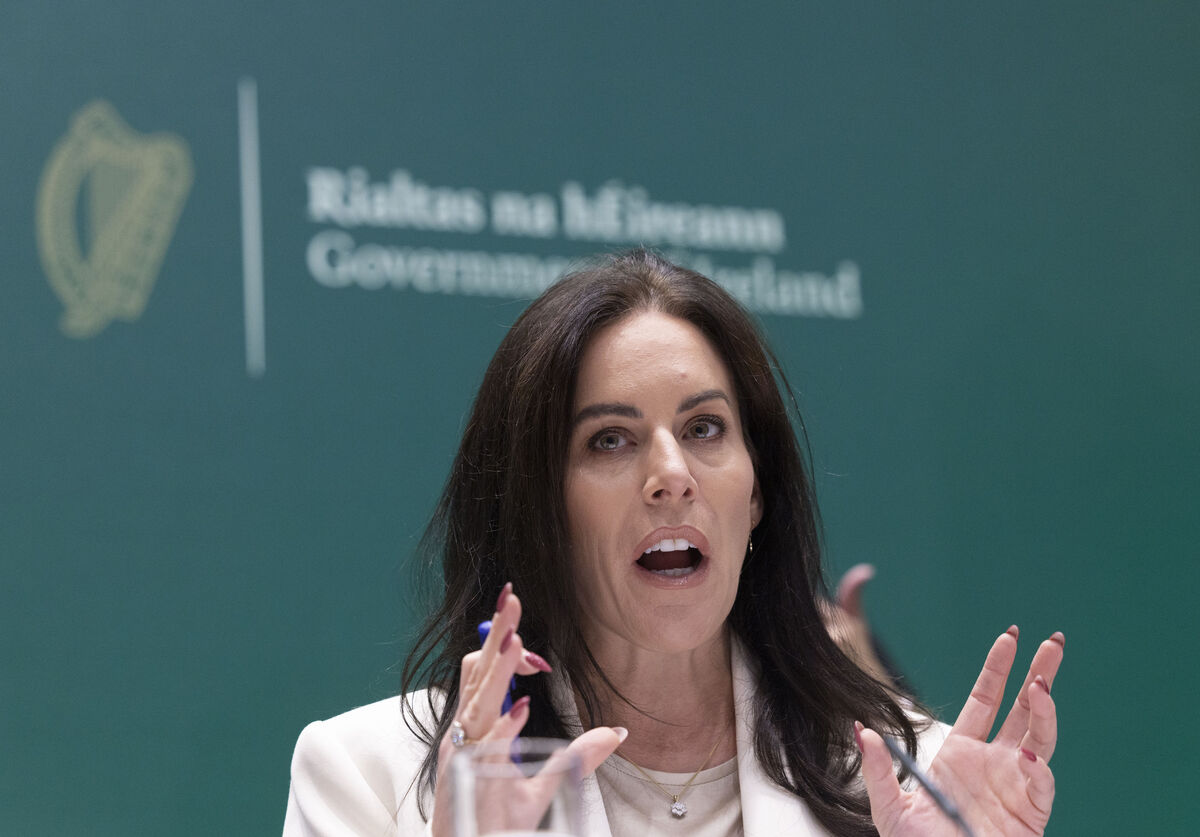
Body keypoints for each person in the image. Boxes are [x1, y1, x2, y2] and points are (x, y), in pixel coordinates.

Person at [284, 250, 1064, 836]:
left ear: (757, 491)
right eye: (611, 440)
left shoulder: (908, 780)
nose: (670, 474)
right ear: (537, 503)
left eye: (703, 429)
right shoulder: (367, 772)